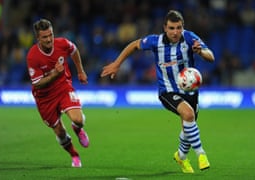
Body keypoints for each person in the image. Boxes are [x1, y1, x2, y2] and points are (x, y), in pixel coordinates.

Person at [101, 10, 214, 173]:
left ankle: (181, 156)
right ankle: (201, 154)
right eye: (171, 28)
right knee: (188, 115)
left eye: (178, 28)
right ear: (165, 28)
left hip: (190, 91)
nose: (175, 32)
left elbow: (211, 56)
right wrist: (117, 63)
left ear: (183, 27)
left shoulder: (189, 37)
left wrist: (201, 52)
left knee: (188, 126)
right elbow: (134, 45)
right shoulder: (155, 41)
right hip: (167, 91)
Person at [26, 19, 90, 168]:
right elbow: (37, 83)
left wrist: (80, 71)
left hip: (63, 88)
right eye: (45, 37)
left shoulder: (62, 44)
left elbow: (74, 51)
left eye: (51, 35)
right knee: (60, 132)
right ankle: (74, 154)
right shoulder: (32, 56)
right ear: (38, 39)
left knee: (78, 119)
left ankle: (77, 128)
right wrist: (55, 73)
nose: (49, 39)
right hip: (44, 98)